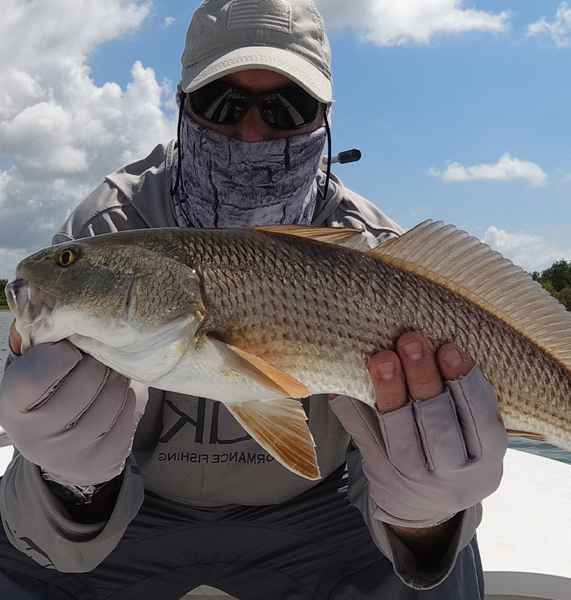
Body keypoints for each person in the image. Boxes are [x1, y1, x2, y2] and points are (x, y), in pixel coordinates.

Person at [0, 1, 507, 598]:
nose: (251, 131)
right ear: (182, 106)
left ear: (323, 120)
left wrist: (425, 516)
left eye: (286, 107)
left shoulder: (378, 257)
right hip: (133, 508)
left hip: (324, 507)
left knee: (440, 569)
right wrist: (71, 485)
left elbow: (404, 499)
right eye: (222, 103)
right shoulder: (110, 228)